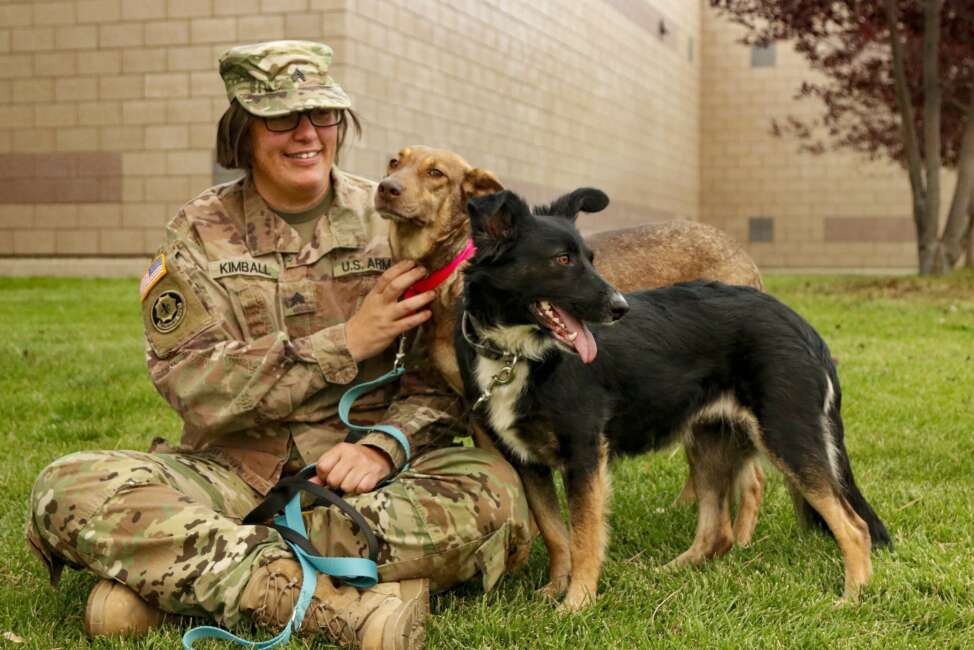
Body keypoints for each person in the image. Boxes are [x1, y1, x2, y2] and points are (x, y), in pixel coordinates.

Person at [25, 40, 533, 650]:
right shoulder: (198, 232)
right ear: (243, 131)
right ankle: (327, 603)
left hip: (370, 483)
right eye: (281, 118)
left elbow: (448, 382)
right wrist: (344, 341)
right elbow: (193, 386)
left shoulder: (400, 218)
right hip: (230, 472)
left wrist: (385, 444)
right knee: (67, 486)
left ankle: (176, 572)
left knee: (496, 490)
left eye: (322, 115)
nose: (307, 135)